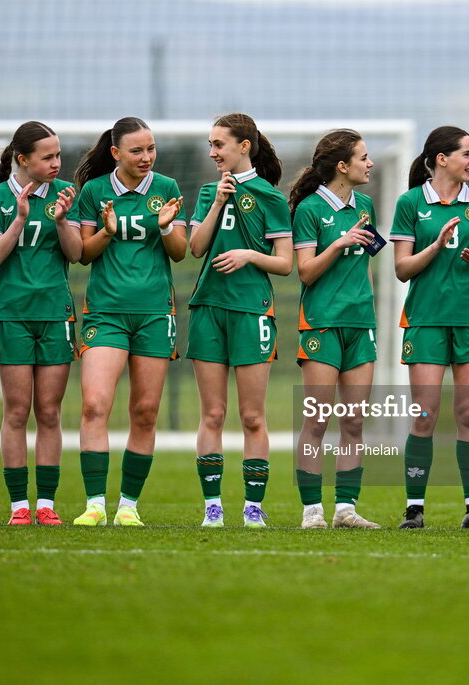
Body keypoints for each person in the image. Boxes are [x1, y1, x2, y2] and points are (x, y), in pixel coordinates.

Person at [71, 117, 187, 527]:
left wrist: (167, 224)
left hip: (156, 313)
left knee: (145, 411)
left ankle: (128, 507)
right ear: (116, 153)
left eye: (151, 149)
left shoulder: (167, 188)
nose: (146, 157)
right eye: (137, 150)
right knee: (94, 404)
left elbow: (179, 252)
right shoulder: (95, 192)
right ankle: (94, 505)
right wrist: (107, 231)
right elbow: (84, 253)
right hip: (106, 312)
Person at [390, 125, 469, 530]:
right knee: (425, 414)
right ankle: (414, 508)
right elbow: (402, 270)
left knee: (468, 414)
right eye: (466, 153)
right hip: (426, 320)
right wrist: (434, 247)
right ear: (441, 159)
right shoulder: (410, 203)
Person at [187, 113, 293, 529]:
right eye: (210, 145)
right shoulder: (208, 193)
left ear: (244, 146)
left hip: (252, 311)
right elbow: (195, 248)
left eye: (219, 144)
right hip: (209, 309)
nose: (213, 152)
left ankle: (253, 508)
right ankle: (212, 506)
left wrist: (249, 255)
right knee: (212, 414)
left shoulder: (270, 197)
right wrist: (216, 202)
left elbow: (285, 263)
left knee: (252, 417)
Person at [0, 121, 82, 525]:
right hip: (11, 315)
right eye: (48, 157)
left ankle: (47, 505)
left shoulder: (65, 195)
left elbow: (75, 254)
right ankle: (19, 506)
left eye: (58, 155)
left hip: (56, 313)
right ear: (22, 160)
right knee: (17, 412)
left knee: (50, 412)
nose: (57, 163)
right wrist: (20, 218)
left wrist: (60, 220)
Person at [290, 129, 381, 530]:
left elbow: (368, 265)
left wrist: (369, 309)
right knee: (318, 420)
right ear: (343, 166)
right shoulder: (309, 210)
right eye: (363, 156)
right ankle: (312, 511)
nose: (370, 163)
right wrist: (339, 242)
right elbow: (306, 271)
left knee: (355, 422)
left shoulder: (366, 206)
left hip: (360, 325)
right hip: (322, 323)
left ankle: (346, 509)